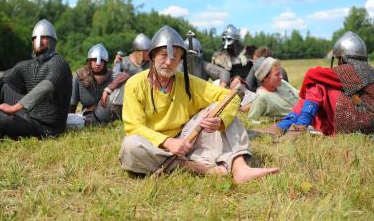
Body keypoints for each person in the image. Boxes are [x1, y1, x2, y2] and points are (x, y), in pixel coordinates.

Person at [118, 25, 278, 183]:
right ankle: (189, 166)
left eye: (174, 56)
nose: (168, 62)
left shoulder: (188, 82)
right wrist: (168, 142)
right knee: (130, 146)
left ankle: (239, 166)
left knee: (220, 107)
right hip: (152, 144)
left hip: (188, 141)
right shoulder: (135, 84)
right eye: (163, 55)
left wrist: (220, 120)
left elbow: (232, 97)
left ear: (181, 59)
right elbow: (134, 127)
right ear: (152, 56)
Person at [260, 31, 374, 140]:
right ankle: (285, 125)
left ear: (343, 58)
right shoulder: (373, 75)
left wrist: (303, 96)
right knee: (319, 92)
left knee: (318, 84)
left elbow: (311, 74)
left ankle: (298, 126)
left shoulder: (350, 71)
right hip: (367, 127)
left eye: (338, 60)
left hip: (352, 124)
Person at [0, 19, 72, 139]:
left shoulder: (58, 63)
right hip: (29, 113)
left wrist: (14, 108)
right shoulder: (29, 65)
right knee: (2, 87)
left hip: (46, 127)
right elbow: (2, 76)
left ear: (52, 41)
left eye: (44, 37)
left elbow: (46, 87)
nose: (39, 41)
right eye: (35, 38)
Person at [69, 43, 121, 125]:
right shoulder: (79, 76)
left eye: (101, 61)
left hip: (108, 115)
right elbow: (72, 103)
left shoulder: (112, 76)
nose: (98, 63)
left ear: (105, 62)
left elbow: (124, 77)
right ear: (89, 61)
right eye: (94, 60)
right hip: (87, 115)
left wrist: (108, 90)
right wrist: (69, 119)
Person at [109, 33, 151, 115]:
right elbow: (114, 79)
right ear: (139, 52)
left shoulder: (151, 63)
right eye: (147, 51)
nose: (149, 53)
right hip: (124, 101)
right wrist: (117, 65)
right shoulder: (123, 61)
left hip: (144, 100)